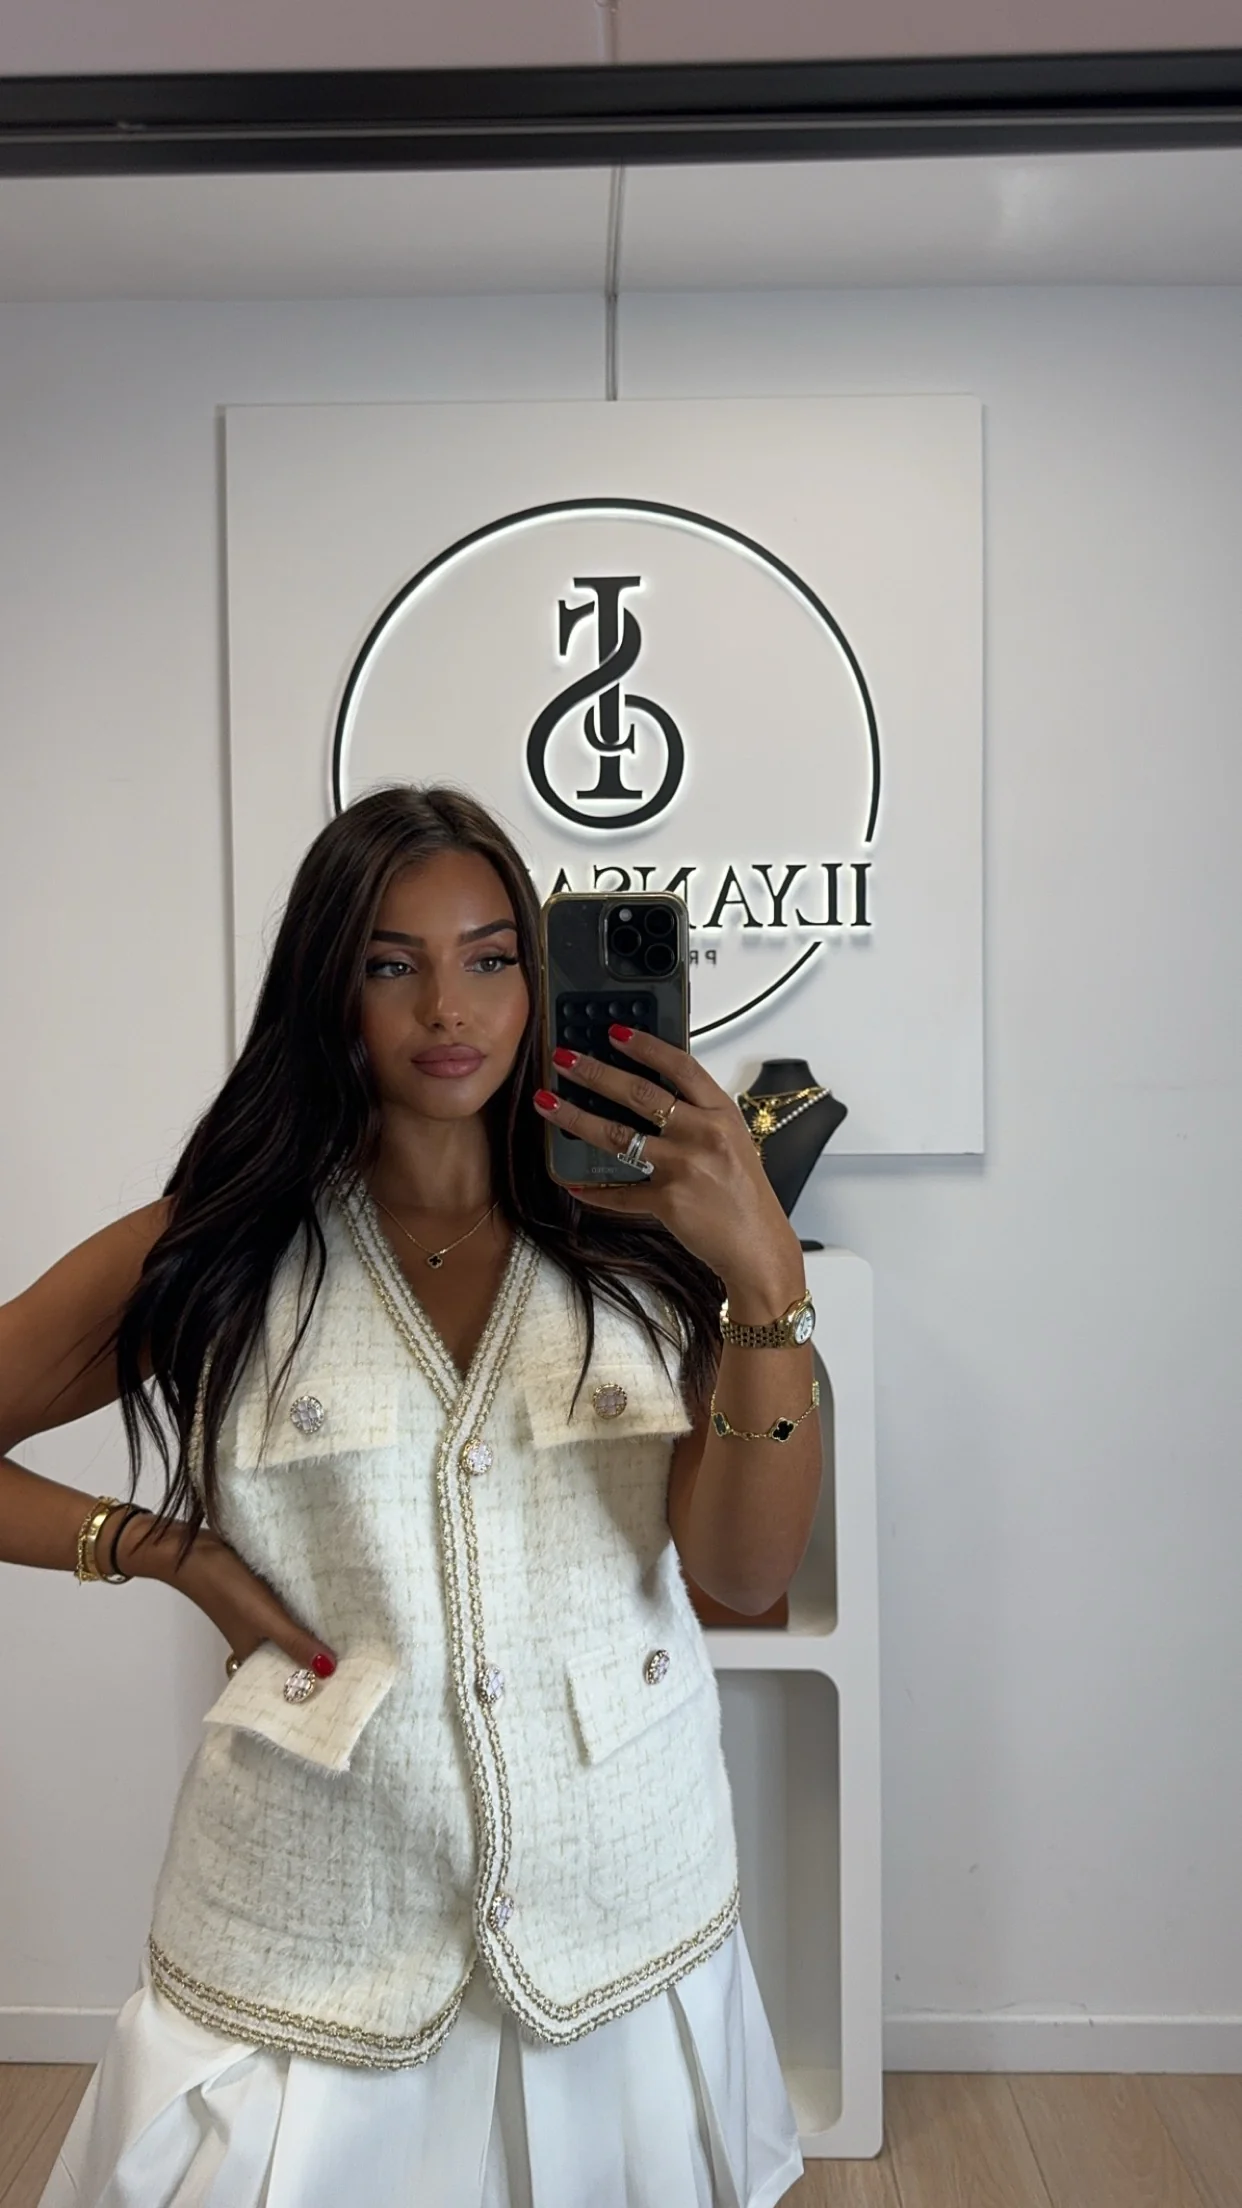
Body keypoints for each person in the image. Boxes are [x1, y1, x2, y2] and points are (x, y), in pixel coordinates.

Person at [1, 784, 823, 2208]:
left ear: (539, 981)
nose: (449, 1008)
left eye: (491, 959)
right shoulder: (221, 1248)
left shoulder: (655, 1247)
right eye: (394, 964)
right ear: (331, 987)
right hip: (307, 1930)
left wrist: (765, 1277)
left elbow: (744, 1575)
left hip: (619, 1913)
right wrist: (157, 1549)